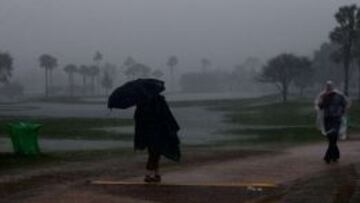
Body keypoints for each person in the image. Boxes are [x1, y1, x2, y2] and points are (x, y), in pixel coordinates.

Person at [134, 94, 180, 183]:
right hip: (159, 131)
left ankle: (155, 174)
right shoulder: (159, 101)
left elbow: (139, 118)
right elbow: (167, 116)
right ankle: (149, 174)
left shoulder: (142, 103)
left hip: (149, 132)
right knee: (155, 153)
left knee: (154, 152)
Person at [315, 81, 349, 164]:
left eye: (329, 86)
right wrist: (322, 101)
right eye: (327, 86)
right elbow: (320, 106)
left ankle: (328, 157)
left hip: (336, 120)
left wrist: (342, 112)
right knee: (331, 138)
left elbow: (345, 104)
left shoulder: (339, 96)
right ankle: (335, 156)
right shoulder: (324, 96)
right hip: (328, 120)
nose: (328, 88)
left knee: (333, 137)